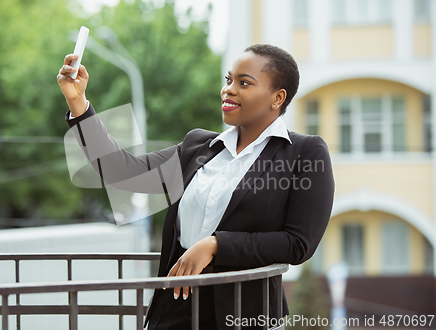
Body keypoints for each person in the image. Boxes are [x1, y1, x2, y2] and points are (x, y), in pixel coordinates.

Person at [57, 43, 335, 330]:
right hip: (176, 304)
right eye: (228, 80)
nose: (228, 89)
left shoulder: (303, 153)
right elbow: (123, 171)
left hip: (243, 311)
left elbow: (298, 243)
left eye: (244, 83)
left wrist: (216, 245)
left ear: (277, 97)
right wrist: (78, 104)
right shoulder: (199, 147)